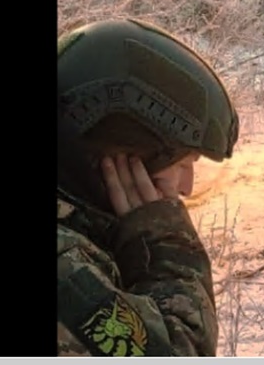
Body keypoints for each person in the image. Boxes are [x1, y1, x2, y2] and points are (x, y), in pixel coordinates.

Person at [57, 18, 240, 356]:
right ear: (125, 151)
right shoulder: (66, 269)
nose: (186, 187)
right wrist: (163, 245)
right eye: (184, 164)